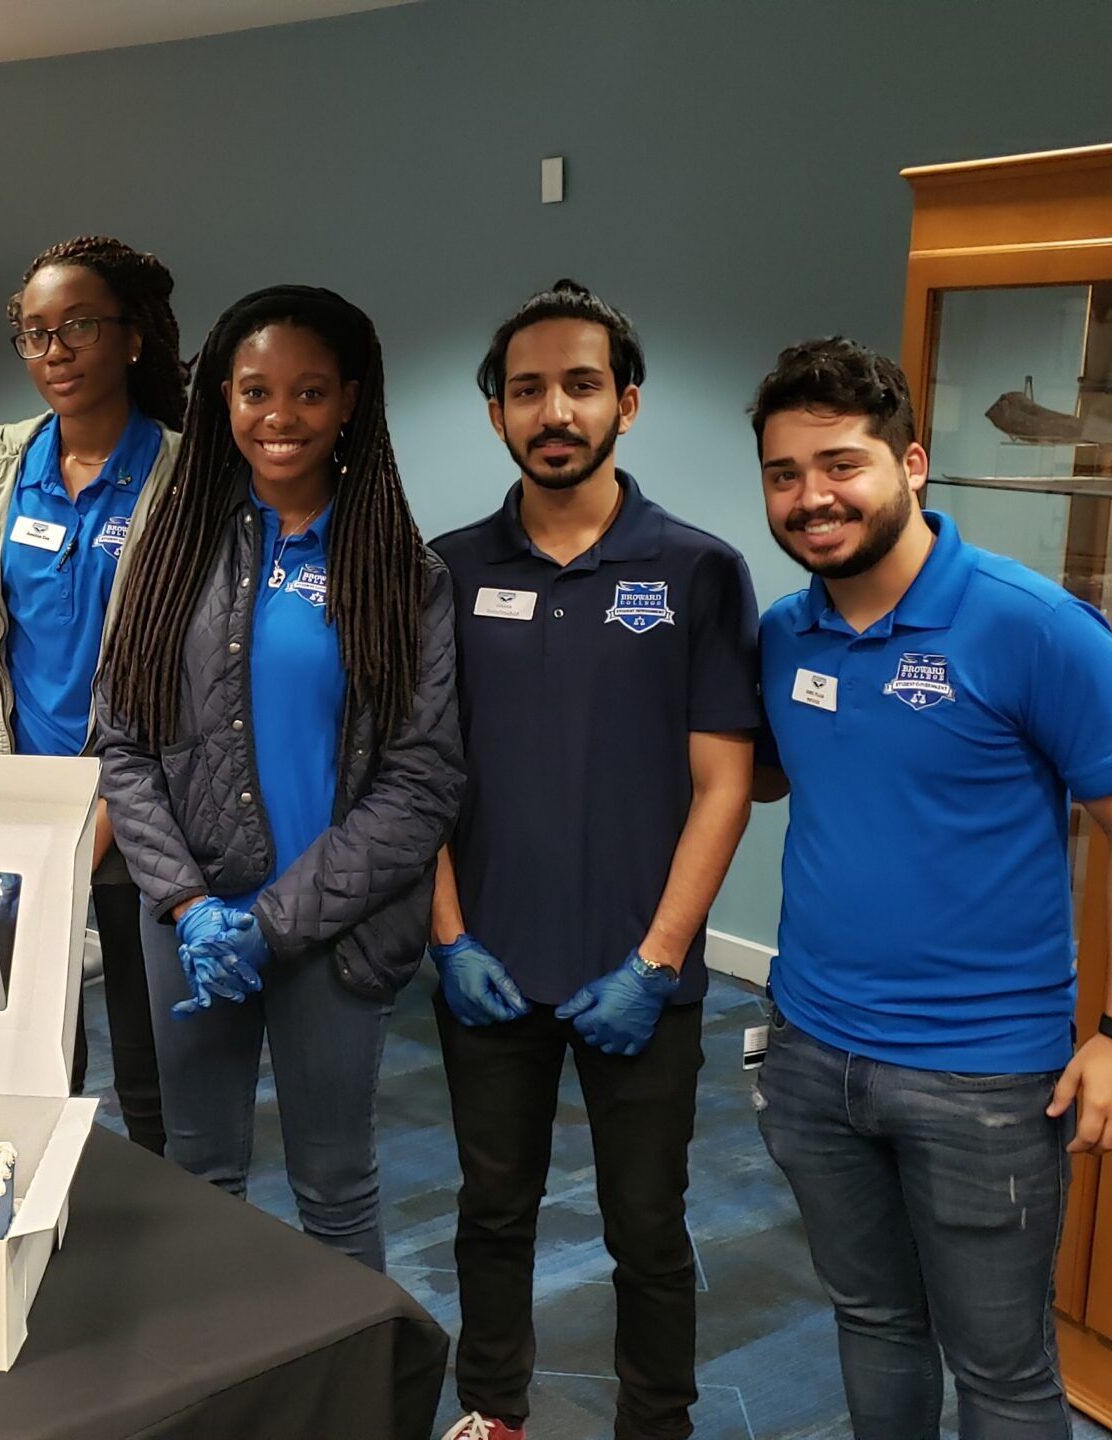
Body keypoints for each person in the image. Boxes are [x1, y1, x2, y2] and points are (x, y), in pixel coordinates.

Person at [747, 338, 1112, 1440]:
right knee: (872, 1320)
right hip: (809, 1051)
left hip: (982, 1077)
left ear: (912, 463)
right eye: (784, 473)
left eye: (840, 465)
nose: (811, 498)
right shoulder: (781, 633)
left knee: (999, 1369)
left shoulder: (1028, 624)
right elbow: (751, 778)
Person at [429, 279, 760, 1440]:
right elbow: (419, 780)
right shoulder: (449, 571)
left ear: (627, 403)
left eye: (579, 386)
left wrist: (659, 960)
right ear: (496, 415)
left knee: (648, 1226)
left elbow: (724, 785)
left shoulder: (697, 570)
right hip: (491, 965)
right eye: (527, 390)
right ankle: (491, 1412)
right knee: (490, 1212)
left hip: (642, 973)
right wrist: (449, 936)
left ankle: (653, 1422)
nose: (553, 411)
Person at [96, 285, 462, 1269]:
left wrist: (271, 923)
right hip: (189, 927)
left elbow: (422, 783)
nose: (278, 417)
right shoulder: (171, 552)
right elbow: (121, 747)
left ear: (348, 400)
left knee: (335, 1189)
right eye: (255, 391)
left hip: (333, 936)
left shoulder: (399, 572)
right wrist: (185, 903)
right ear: (223, 399)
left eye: (307, 392)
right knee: (198, 1176)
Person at [0, 235, 188, 1154]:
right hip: (13, 798)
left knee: (152, 1059)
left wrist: (91, 831)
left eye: (78, 326)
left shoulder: (185, 475)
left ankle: (164, 1237)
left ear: (129, 338)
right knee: (30, 1055)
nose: (55, 352)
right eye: (35, 334)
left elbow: (175, 672)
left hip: (141, 809)